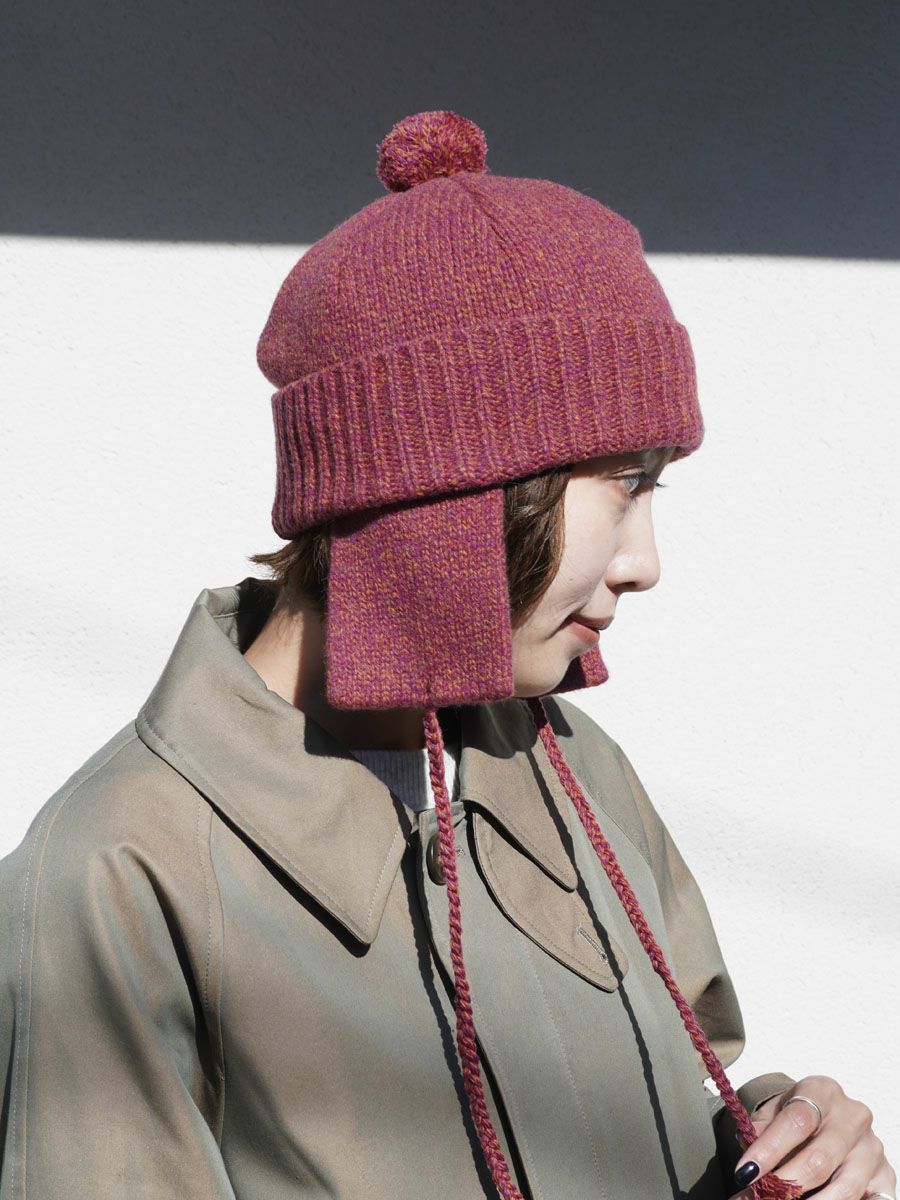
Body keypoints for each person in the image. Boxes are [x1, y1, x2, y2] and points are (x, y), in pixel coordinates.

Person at [0, 110, 893, 1200]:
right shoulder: (116, 877)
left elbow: (674, 1105)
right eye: (623, 487)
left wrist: (788, 1140)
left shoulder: (571, 763)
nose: (645, 564)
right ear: (446, 492)